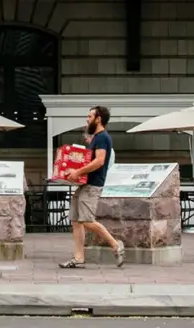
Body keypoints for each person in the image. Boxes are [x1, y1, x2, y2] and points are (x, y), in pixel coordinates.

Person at [59, 105, 125, 269]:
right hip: (85, 184)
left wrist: (78, 171)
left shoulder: (102, 137)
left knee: (87, 221)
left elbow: (100, 161)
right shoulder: (96, 138)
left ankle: (116, 245)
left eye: (90, 116)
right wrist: (72, 172)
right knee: (76, 221)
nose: (87, 119)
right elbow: (88, 161)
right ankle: (79, 258)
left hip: (93, 185)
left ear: (98, 119)